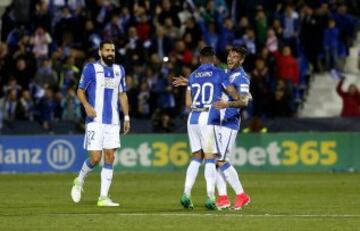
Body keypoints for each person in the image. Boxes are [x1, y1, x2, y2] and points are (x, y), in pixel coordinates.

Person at [173, 46, 251, 210]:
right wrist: (191, 82)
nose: (230, 59)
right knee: (215, 160)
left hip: (229, 122)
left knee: (221, 160)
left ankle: (241, 195)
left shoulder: (242, 78)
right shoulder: (225, 73)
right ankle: (222, 198)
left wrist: (227, 104)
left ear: (241, 60)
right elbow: (213, 83)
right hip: (216, 120)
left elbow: (243, 101)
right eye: (230, 56)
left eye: (235, 57)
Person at [71, 40, 130, 207]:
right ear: (100, 52)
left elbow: (122, 95)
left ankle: (103, 197)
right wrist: (87, 106)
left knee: (110, 157)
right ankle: (79, 180)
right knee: (96, 158)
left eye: (112, 50)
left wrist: (126, 117)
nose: (110, 53)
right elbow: (80, 90)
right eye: (107, 50)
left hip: (113, 122)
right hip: (95, 120)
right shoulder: (91, 69)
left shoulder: (120, 70)